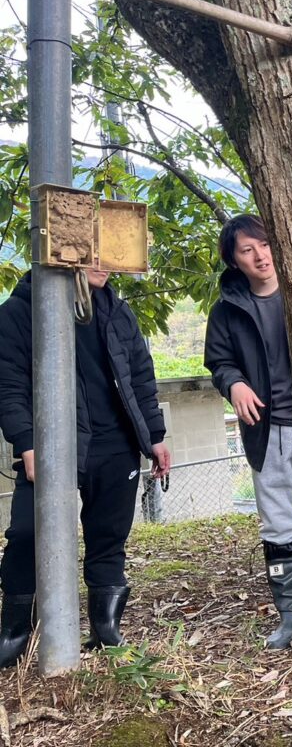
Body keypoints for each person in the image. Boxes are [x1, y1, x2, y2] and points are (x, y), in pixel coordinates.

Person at [0, 268, 171, 667]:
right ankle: (15, 631)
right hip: (50, 445)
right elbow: (8, 384)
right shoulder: (20, 311)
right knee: (27, 533)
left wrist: (155, 435)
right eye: (89, 254)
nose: (102, 264)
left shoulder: (117, 310)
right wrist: (26, 441)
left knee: (109, 536)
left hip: (116, 443)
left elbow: (141, 377)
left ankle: (105, 628)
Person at [204, 214, 292, 649]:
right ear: (234, 261)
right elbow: (219, 362)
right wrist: (234, 383)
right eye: (247, 250)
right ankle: (289, 616)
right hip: (267, 428)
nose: (260, 255)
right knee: (278, 523)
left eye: (264, 244)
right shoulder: (227, 309)